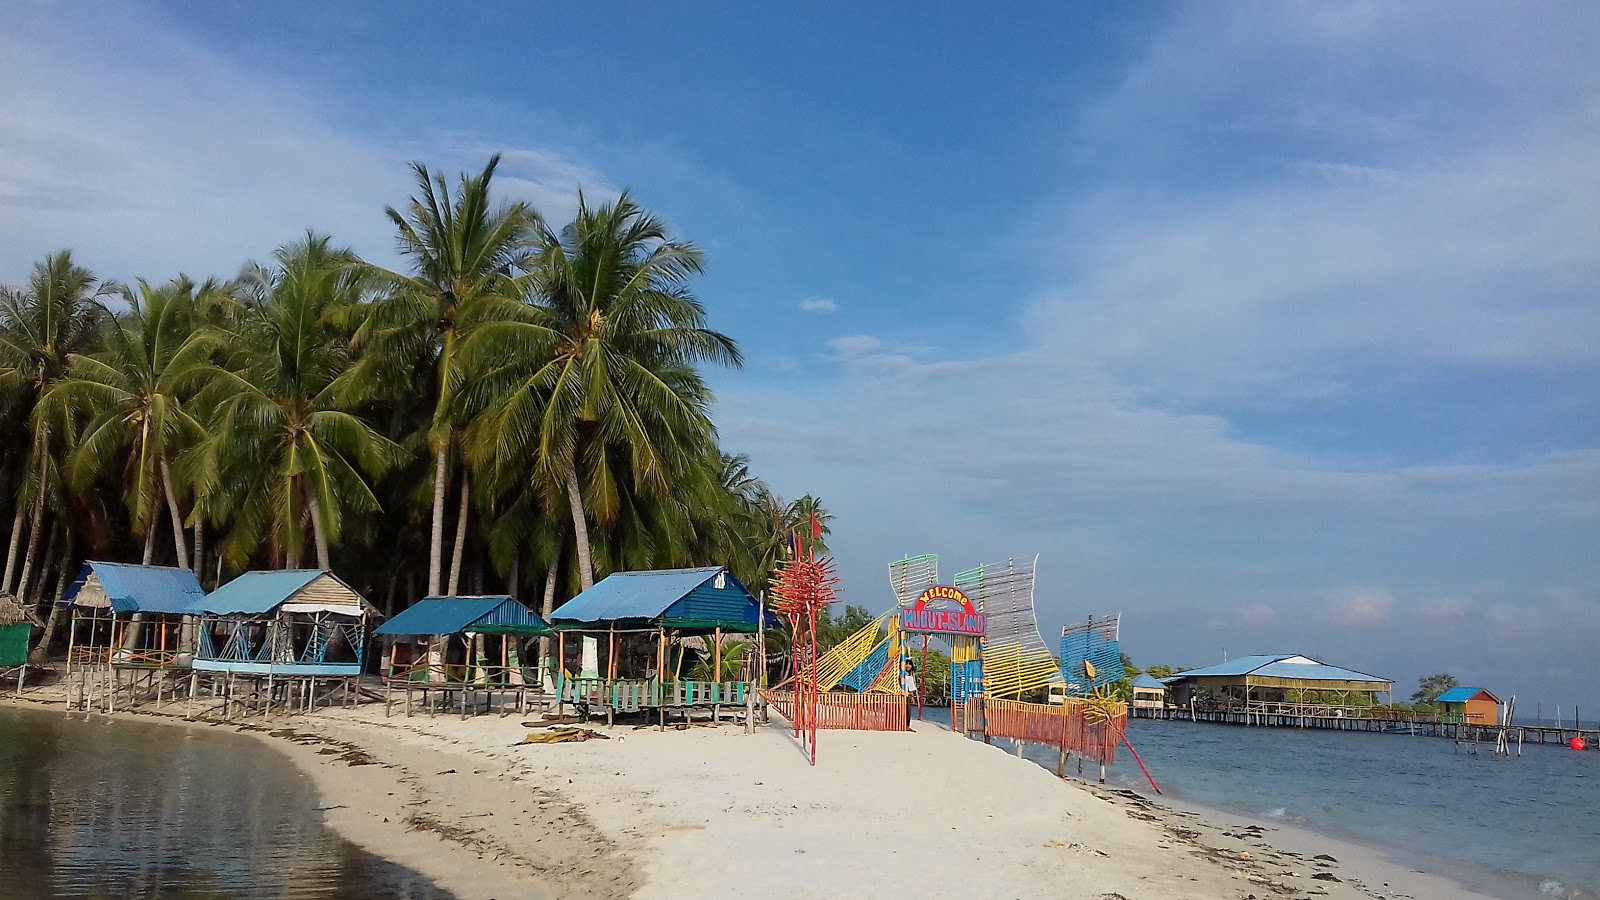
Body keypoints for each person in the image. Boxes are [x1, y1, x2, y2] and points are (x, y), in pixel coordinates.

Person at [901, 658, 918, 728]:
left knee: (908, 711)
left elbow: (911, 687)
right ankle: (903, 725)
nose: (908, 666)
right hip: (901, 694)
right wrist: (905, 658)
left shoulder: (910, 675)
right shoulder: (901, 673)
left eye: (909, 664)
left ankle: (907, 725)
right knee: (903, 710)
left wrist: (913, 697)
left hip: (907, 695)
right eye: (906, 664)